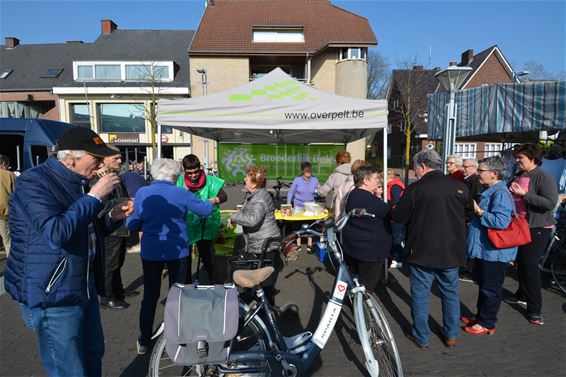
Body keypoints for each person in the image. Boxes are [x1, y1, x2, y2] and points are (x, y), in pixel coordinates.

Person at [4, 126, 133, 376]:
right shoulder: (34, 182)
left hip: (82, 283)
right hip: (54, 293)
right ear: (71, 157)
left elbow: (83, 232)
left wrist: (112, 217)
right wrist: (95, 197)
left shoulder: (79, 182)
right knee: (70, 369)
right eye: (96, 158)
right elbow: (57, 233)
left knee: (93, 355)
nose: (100, 164)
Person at [126, 158, 213, 355]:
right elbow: (204, 210)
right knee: (180, 295)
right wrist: (212, 200)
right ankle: (179, 335)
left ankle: (144, 338)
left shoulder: (142, 193)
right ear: (174, 176)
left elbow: (132, 224)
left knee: (150, 295)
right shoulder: (181, 192)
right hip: (177, 251)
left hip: (151, 252)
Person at [391, 150, 473, 349]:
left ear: (422, 166)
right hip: (452, 251)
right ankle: (451, 335)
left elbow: (399, 216)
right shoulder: (459, 187)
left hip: (422, 251)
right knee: (450, 294)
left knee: (420, 296)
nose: (414, 171)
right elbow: (469, 212)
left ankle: (421, 337)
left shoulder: (415, 189)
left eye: (415, 168)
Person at [504, 143, 558, 326]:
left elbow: (550, 202)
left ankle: (535, 310)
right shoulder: (519, 175)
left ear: (533, 158)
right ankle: (521, 294)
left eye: (521, 158)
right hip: (520, 225)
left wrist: (524, 194)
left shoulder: (543, 176)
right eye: (517, 157)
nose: (517, 161)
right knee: (521, 261)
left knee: (530, 265)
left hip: (538, 227)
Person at [463, 156, 517, 335]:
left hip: (494, 253)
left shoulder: (500, 194)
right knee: (485, 285)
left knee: (491, 288)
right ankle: (480, 316)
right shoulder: (492, 190)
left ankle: (487, 322)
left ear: (494, 174)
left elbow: (501, 221)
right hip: (487, 250)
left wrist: (479, 211)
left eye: (481, 171)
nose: (478, 173)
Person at [227, 166, 282, 304]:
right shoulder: (256, 194)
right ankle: (264, 309)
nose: (244, 179)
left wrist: (233, 216)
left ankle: (266, 314)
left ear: (254, 183)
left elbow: (252, 220)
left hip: (265, 244)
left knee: (265, 284)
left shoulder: (259, 198)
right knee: (261, 282)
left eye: (247, 177)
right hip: (262, 242)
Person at [94, 146, 139, 310]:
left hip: (119, 226)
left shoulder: (113, 176)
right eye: (116, 158)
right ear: (104, 158)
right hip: (109, 228)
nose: (120, 161)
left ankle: (118, 290)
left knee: (118, 261)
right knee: (110, 263)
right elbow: (100, 205)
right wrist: (127, 199)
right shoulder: (98, 179)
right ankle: (106, 297)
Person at [177, 154, 227, 283]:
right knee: (184, 261)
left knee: (208, 259)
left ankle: (216, 286)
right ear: (184, 170)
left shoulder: (210, 181)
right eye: (190, 173)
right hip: (186, 227)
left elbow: (224, 196)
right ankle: (186, 288)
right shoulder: (179, 182)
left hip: (206, 226)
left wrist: (213, 200)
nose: (193, 175)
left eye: (196, 172)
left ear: (200, 168)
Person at [342, 165, 391, 293]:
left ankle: (355, 302)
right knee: (365, 286)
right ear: (365, 180)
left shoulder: (354, 194)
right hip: (368, 252)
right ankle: (359, 307)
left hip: (356, 247)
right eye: (375, 178)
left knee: (356, 282)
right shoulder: (367, 198)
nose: (378, 181)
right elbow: (390, 213)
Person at [287, 161, 319, 252]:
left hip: (311, 205)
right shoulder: (297, 180)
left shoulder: (315, 180)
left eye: (309, 172)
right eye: (306, 172)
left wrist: (318, 191)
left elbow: (319, 192)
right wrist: (289, 204)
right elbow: (291, 192)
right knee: (297, 225)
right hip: (298, 205)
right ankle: (298, 245)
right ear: (302, 171)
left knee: (311, 225)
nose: (308, 175)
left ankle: (309, 244)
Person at [386, 168, 406, 269]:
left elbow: (396, 201)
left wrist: (385, 203)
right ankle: (398, 257)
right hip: (399, 215)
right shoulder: (395, 184)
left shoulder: (394, 186)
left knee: (396, 237)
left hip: (397, 216)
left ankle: (398, 259)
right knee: (398, 237)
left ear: (388, 177)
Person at [0, 154, 16, 257]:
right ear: (3, 164)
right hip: (5, 215)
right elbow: (18, 195)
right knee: (9, 243)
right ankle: (14, 268)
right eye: (7, 165)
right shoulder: (10, 175)